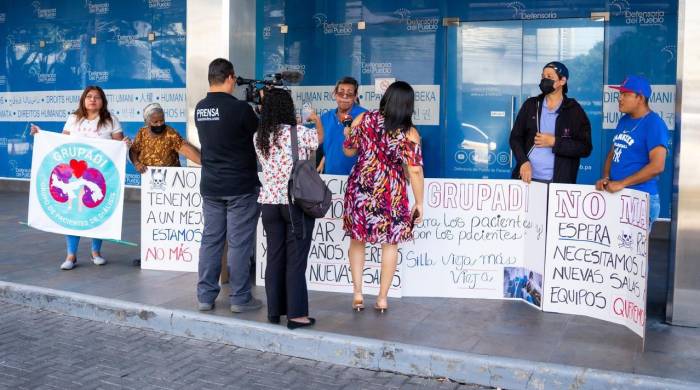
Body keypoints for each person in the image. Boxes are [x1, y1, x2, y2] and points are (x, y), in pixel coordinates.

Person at [342, 81, 424, 312]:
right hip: (391, 191)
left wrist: (348, 132)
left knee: (357, 239)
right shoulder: (410, 133)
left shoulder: (364, 119)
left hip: (360, 186)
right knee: (390, 243)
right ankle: (382, 299)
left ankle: (358, 295)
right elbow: (415, 171)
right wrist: (419, 202)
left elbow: (348, 150)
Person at [30, 86, 130, 270]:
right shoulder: (74, 119)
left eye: (97, 97)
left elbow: (118, 146)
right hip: (74, 175)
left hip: (99, 176)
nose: (93, 100)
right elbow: (61, 144)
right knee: (73, 213)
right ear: (83, 100)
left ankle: (96, 253)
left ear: (103, 101)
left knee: (97, 212)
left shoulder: (110, 120)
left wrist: (124, 144)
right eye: (89, 97)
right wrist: (41, 134)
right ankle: (71, 255)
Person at [194, 58, 262, 313]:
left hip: (211, 185)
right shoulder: (240, 109)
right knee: (239, 243)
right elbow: (259, 134)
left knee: (211, 241)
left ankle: (205, 296)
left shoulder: (200, 108)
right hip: (240, 186)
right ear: (231, 77)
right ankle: (240, 298)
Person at [254, 88, 324, 329]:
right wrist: (316, 120)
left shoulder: (259, 136)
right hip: (294, 204)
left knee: (274, 257)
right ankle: (296, 315)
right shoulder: (299, 133)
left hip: (269, 204)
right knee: (295, 260)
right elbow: (319, 140)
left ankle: (274, 311)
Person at [595, 76, 668, 229]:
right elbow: (612, 153)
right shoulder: (624, 120)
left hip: (640, 197)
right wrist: (606, 177)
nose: (620, 98)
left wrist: (622, 183)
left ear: (640, 98)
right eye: (620, 94)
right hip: (618, 194)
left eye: (625, 94)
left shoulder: (654, 123)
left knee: (631, 249)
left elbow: (657, 166)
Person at [509, 61, 592, 184]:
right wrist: (523, 162)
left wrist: (554, 142)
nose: (544, 80)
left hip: (558, 183)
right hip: (527, 179)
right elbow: (515, 138)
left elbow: (585, 148)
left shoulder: (574, 110)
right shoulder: (531, 105)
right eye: (543, 76)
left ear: (562, 81)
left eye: (549, 77)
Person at [129, 103, 201, 173]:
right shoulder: (142, 133)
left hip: (170, 178)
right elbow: (133, 151)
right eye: (155, 122)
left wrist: (205, 162)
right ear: (147, 122)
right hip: (148, 179)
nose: (159, 124)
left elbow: (186, 150)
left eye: (162, 120)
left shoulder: (170, 133)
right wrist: (136, 163)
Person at [317, 76, 367, 174]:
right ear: (335, 94)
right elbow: (329, 146)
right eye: (341, 92)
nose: (344, 96)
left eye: (349, 93)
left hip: (358, 179)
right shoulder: (325, 118)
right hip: (330, 178)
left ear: (355, 96)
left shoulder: (365, 117)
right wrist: (324, 160)